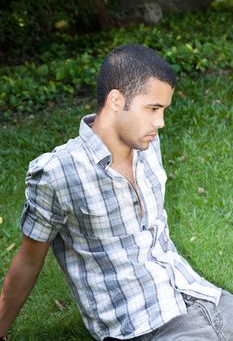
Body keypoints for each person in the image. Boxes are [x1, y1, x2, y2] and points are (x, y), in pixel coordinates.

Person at [0, 44, 232, 341]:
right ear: (116, 100)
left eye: (163, 110)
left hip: (203, 298)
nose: (160, 123)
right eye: (153, 109)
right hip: (145, 326)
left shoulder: (147, 145)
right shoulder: (58, 173)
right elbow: (29, 260)